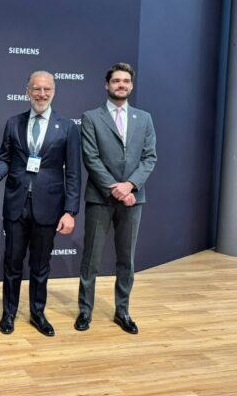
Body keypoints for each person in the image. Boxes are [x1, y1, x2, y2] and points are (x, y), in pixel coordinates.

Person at [0, 71, 81, 336]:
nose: (41, 94)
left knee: (41, 265)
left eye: (46, 89)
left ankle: (37, 313)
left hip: (49, 207)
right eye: (36, 89)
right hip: (16, 205)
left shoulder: (67, 127)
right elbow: (4, 159)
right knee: (12, 263)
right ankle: (9, 313)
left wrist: (70, 211)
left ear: (53, 92)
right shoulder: (13, 123)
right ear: (27, 91)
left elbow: (73, 172)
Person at [76, 62, 157, 334]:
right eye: (116, 81)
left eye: (126, 81)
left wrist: (130, 186)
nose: (121, 85)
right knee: (91, 259)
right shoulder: (91, 117)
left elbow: (149, 158)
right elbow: (91, 158)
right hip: (100, 198)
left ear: (131, 86)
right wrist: (116, 189)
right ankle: (85, 310)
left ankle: (123, 311)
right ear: (107, 85)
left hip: (133, 200)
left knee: (126, 260)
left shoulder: (144, 118)